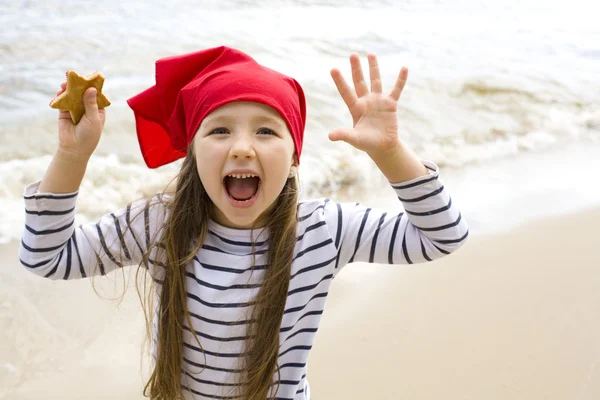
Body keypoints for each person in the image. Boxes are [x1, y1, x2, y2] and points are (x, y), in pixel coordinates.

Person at [19, 46, 469, 400]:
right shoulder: (159, 224)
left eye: (266, 131)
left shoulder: (321, 230)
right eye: (219, 130)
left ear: (294, 156)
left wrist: (389, 154)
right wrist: (72, 156)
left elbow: (441, 236)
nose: (241, 147)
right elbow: (47, 257)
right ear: (192, 150)